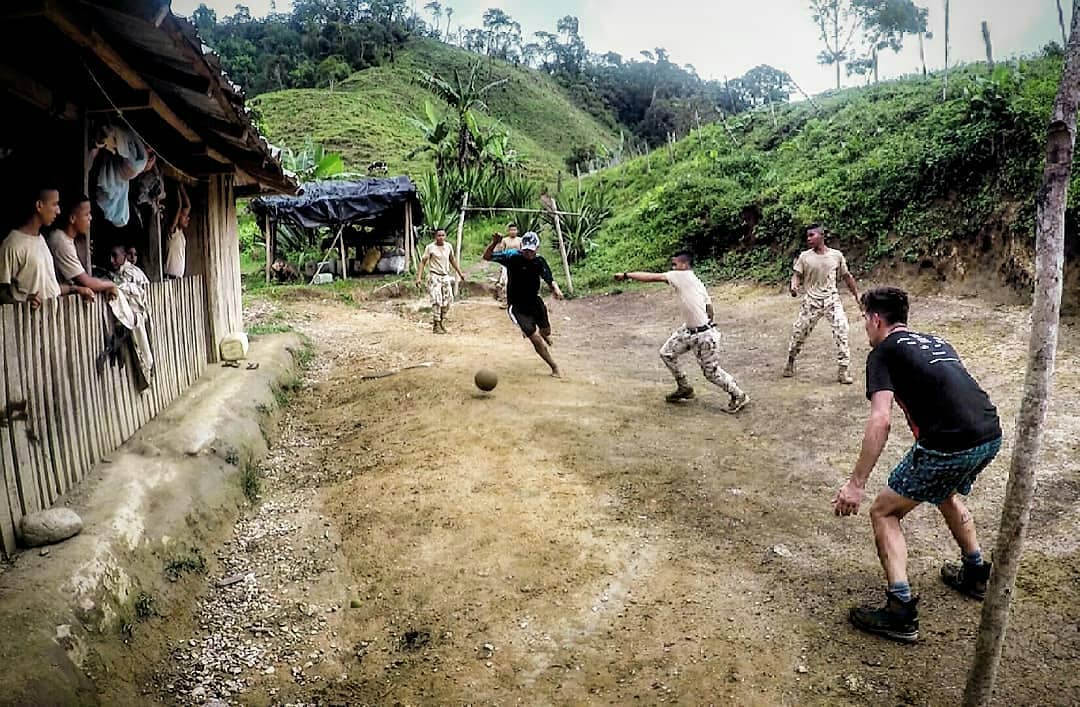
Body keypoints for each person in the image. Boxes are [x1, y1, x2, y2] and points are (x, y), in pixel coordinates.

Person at [833, 287, 1002, 644]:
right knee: (944, 491)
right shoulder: (936, 341)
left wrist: (856, 483)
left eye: (864, 319)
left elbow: (881, 420)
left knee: (884, 511)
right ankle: (974, 573)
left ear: (876, 319)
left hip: (950, 443)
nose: (864, 326)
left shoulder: (883, 352)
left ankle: (900, 611)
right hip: (989, 434)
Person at [614, 251, 750, 413]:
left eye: (675, 264)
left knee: (711, 373)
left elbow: (652, 277)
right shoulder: (696, 282)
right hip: (692, 330)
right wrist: (707, 323)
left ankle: (738, 395)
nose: (673, 267)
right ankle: (684, 387)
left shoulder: (682, 276)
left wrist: (626, 275)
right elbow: (709, 308)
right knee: (667, 353)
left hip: (702, 335)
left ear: (684, 265)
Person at [784, 224, 860, 384]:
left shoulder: (836, 256)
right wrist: (794, 286)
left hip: (831, 300)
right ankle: (790, 361)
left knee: (842, 331)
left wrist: (856, 295)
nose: (809, 239)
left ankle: (843, 370)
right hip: (811, 301)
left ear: (821, 236)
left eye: (812, 235)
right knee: (799, 333)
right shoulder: (805, 257)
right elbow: (796, 275)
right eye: (807, 236)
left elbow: (847, 276)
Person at [483, 231, 563, 377]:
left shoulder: (539, 261)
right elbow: (487, 257)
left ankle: (543, 334)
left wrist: (555, 289)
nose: (528, 253)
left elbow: (549, 278)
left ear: (536, 248)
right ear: (521, 247)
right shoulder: (512, 256)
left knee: (546, 332)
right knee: (535, 339)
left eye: (531, 251)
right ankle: (554, 367)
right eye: (525, 250)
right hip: (517, 306)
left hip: (535, 302)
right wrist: (494, 243)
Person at [0, 186, 93, 308]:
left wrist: (76, 289)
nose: (58, 211)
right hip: (28, 324)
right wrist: (21, 305)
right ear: (39, 206)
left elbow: (50, 288)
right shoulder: (12, 244)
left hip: (48, 323)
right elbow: (1, 292)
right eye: (54, 204)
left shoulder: (41, 240)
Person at [47, 195, 118, 298]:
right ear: (72, 218)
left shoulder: (70, 240)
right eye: (86, 214)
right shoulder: (60, 240)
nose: (90, 218)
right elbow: (88, 282)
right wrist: (111, 284)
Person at [415, 229, 466, 334]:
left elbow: (452, 260)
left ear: (445, 236)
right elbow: (423, 262)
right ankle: (436, 324)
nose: (441, 237)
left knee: (447, 301)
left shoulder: (448, 246)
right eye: (439, 235)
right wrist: (418, 277)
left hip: (445, 276)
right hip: (434, 276)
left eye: (443, 235)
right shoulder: (430, 248)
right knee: (437, 300)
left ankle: (441, 321)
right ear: (435, 236)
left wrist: (460, 273)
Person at [164, 182, 190, 279]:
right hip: (170, 278)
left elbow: (188, 206)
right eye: (184, 216)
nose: (188, 219)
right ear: (177, 217)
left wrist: (181, 187)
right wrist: (178, 193)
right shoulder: (172, 232)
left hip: (178, 277)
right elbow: (179, 207)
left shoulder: (181, 234)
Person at [492, 222, 522, 302]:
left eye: (514, 230)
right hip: (507, 263)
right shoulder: (505, 240)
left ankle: (516, 299)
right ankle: (505, 299)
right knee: (505, 281)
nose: (512, 231)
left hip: (518, 263)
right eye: (511, 230)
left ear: (517, 231)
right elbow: (501, 251)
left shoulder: (520, 240)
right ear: (508, 231)